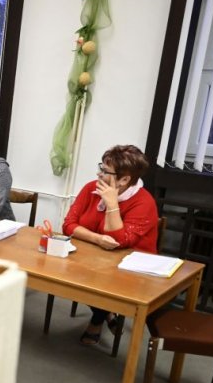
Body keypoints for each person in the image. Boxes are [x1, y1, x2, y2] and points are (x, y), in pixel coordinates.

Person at [63, 144, 159, 345]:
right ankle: (106, 312)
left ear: (124, 180)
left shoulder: (144, 202)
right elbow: (68, 225)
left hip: (131, 268)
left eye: (106, 171)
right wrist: (97, 239)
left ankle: (98, 318)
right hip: (94, 257)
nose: (99, 174)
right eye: (101, 167)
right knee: (70, 274)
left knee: (97, 280)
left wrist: (112, 204)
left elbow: (120, 241)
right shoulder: (91, 188)